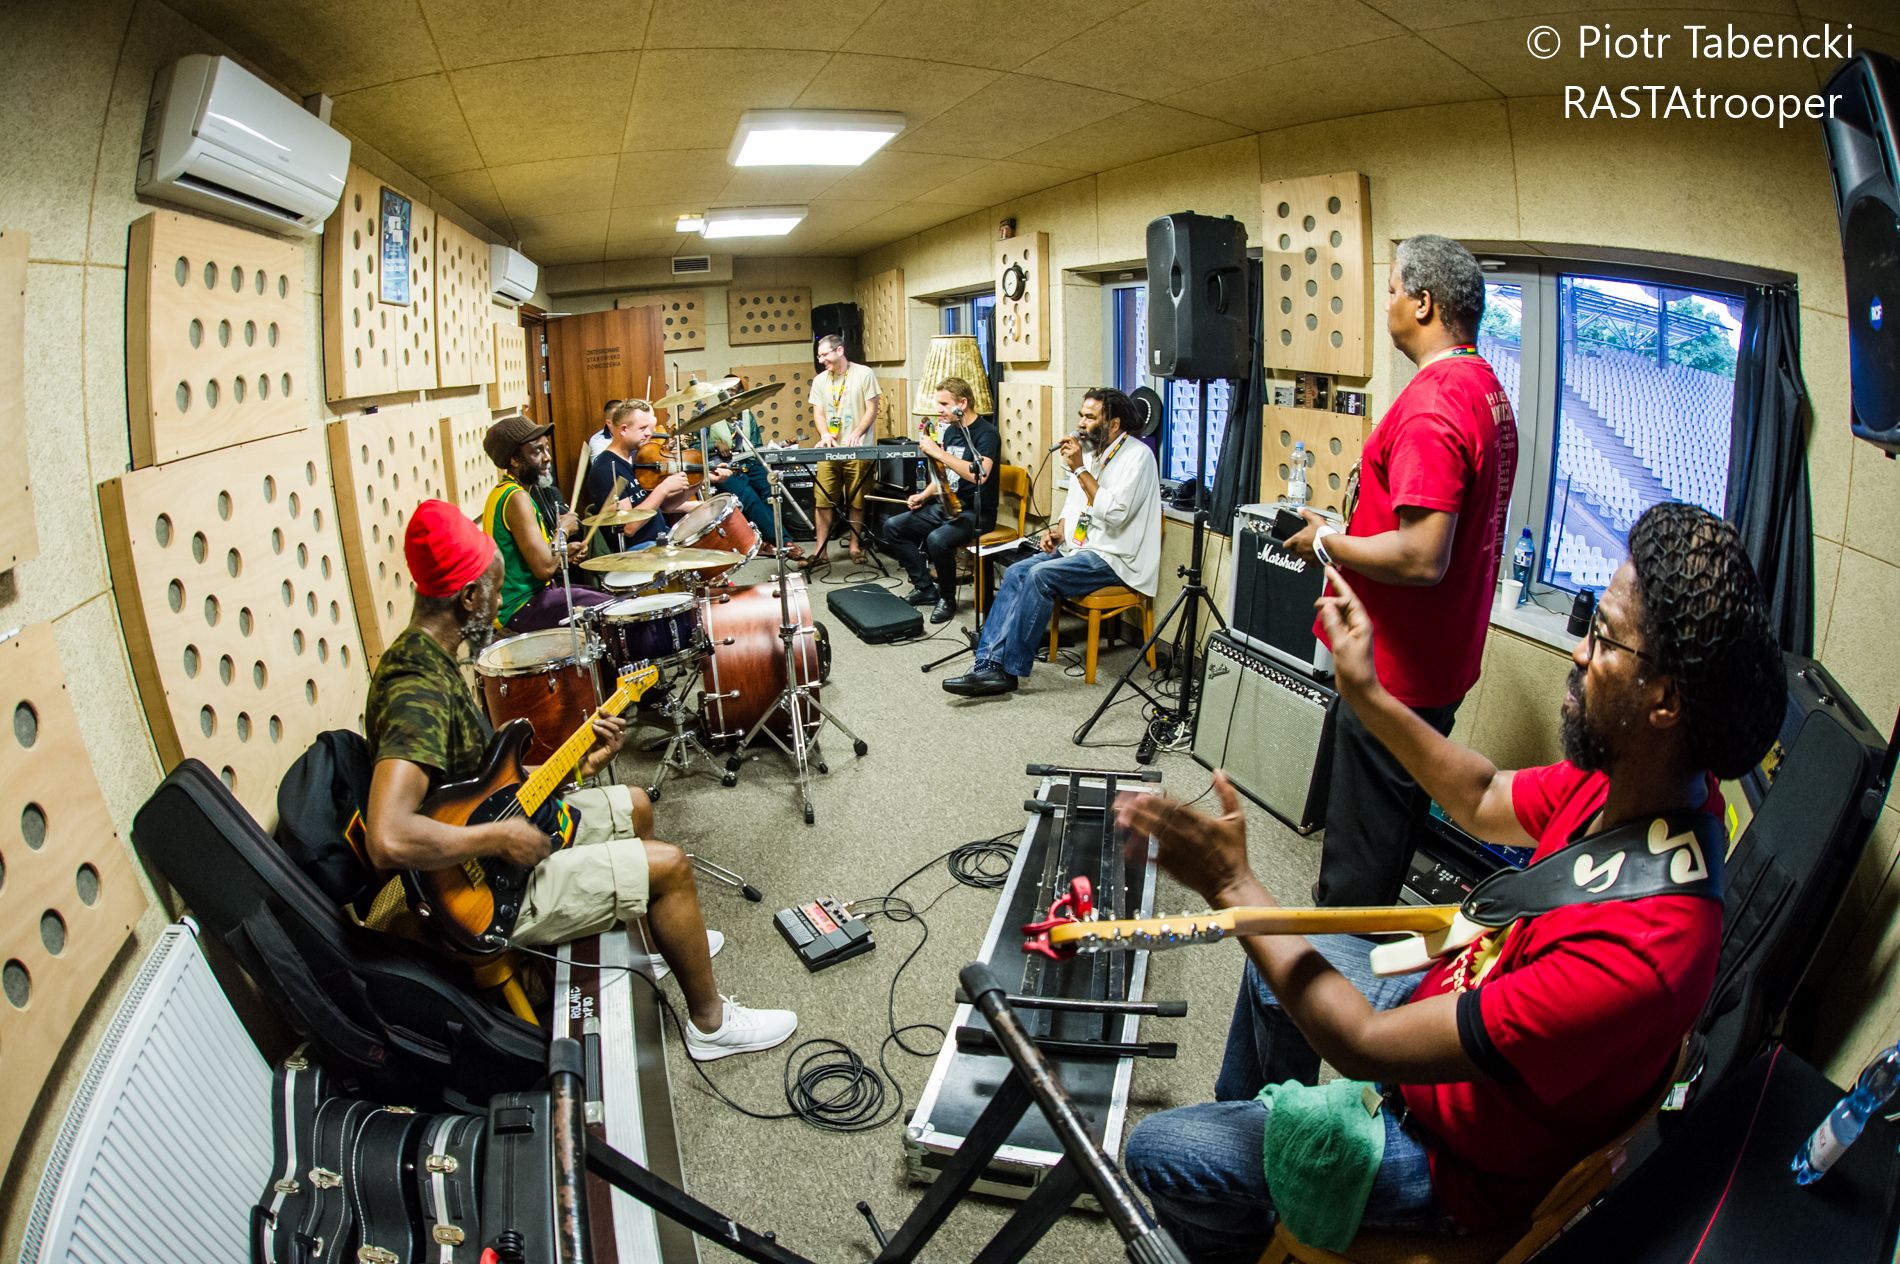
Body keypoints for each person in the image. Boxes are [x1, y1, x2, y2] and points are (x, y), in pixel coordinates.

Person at [1119, 503, 1786, 1262]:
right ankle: (1261, 1149)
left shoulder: (1643, 953)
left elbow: (1367, 1046)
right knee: (1276, 974)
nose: (1576, 652)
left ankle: (1248, 1228)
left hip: (1455, 1164)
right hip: (1463, 1001)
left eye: (1602, 636)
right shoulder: (1642, 785)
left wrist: (1235, 886)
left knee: (1162, 1150)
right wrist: (1367, 691)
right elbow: (1482, 796)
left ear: (1665, 700)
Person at [363, 500, 799, 1061]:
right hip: (481, 892)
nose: (499, 602)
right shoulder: (415, 687)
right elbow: (389, 837)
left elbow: (477, 788)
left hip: (487, 837)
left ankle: (662, 939)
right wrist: (499, 839)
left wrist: (573, 767)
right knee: (673, 867)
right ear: (469, 598)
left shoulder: (435, 657)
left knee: (636, 804)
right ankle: (710, 1025)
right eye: (493, 590)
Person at [1283, 234, 1519, 908]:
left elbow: (1421, 555)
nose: (1384, 303)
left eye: (1390, 289)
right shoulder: (1484, 389)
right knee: (1388, 837)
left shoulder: (1434, 401)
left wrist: (1330, 541)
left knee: (1357, 869)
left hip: (1397, 677)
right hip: (1439, 665)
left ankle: (1336, 988)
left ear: (1422, 302)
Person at [942, 387, 1159, 697]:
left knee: (1040, 576)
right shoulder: (1094, 452)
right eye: (1081, 415)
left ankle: (1009, 669)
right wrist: (1058, 531)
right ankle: (987, 663)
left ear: (1114, 424)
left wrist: (1080, 469)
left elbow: (1114, 515)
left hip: (1117, 559)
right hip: (1081, 548)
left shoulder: (1138, 456)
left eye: (1090, 417)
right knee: (1017, 571)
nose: (1082, 423)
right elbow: (1074, 507)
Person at [480, 415, 614, 633]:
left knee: (602, 597)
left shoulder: (504, 493)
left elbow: (534, 559)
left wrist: (565, 552)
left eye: (546, 449)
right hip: (521, 607)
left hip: (527, 600)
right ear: (514, 460)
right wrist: (562, 529)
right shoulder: (516, 498)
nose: (547, 458)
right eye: (537, 451)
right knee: (612, 610)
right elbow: (543, 569)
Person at [884, 376, 999, 624]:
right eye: (939, 403)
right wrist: (924, 495)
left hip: (976, 513)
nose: (939, 410)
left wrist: (938, 452)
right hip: (947, 505)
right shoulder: (951, 432)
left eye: (944, 404)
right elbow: (944, 476)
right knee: (893, 526)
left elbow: (979, 475)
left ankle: (947, 597)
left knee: (938, 540)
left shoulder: (986, 434)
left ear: (963, 403)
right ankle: (926, 589)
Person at [805, 333, 881, 568]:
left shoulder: (864, 374)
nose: (821, 360)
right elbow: (818, 413)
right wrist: (825, 434)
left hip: (858, 450)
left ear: (839, 351)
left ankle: (855, 546)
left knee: (857, 500)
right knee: (823, 500)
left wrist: (857, 432)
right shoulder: (820, 380)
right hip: (830, 450)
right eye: (819, 356)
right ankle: (820, 551)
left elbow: (872, 408)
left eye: (824, 354)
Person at [584, 400, 689, 555]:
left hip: (659, 538)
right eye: (642, 428)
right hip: (638, 550)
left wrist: (695, 482)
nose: (649, 433)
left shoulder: (637, 458)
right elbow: (628, 527)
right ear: (624, 429)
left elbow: (663, 506)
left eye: (649, 428)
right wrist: (664, 488)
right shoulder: (606, 469)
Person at [587, 398, 623, 463]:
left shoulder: (635, 432)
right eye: (620, 419)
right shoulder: (597, 441)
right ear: (609, 423)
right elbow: (601, 467)